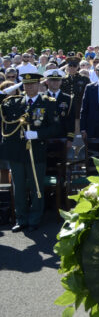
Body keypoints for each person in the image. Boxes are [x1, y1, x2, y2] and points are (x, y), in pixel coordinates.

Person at [0, 72, 59, 232]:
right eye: (25, 84)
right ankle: (21, 219)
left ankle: (35, 218)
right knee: (18, 188)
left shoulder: (48, 103)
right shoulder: (14, 102)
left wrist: (38, 134)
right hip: (17, 153)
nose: (29, 87)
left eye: (32, 84)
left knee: (36, 187)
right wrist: (8, 89)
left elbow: (56, 128)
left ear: (39, 84)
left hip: (36, 152)